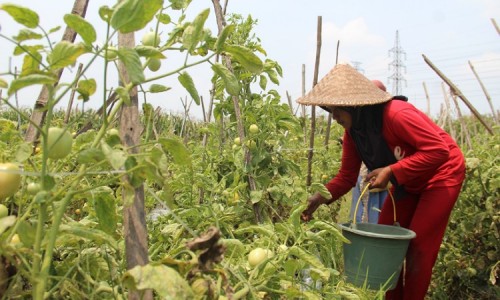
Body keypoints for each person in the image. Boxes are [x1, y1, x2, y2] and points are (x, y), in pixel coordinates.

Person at [297, 64, 466, 300]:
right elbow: (346, 177)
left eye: (338, 109)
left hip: (441, 175)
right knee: (386, 243)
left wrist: (392, 170)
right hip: (409, 181)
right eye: (330, 109)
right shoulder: (354, 132)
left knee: (418, 248)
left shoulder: (397, 114)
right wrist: (318, 198)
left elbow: (439, 151)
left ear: (356, 106)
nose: (334, 116)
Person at [350, 80, 389, 224]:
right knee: (366, 197)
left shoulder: (387, 119)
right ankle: (365, 226)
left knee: (378, 203)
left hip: (386, 173)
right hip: (371, 171)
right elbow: (346, 175)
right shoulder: (357, 126)